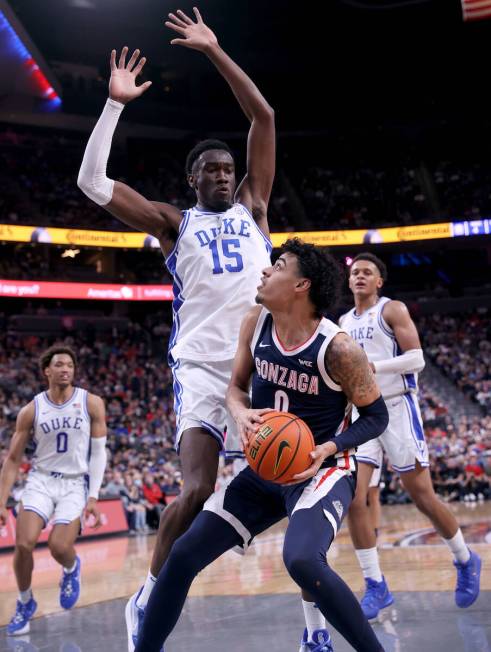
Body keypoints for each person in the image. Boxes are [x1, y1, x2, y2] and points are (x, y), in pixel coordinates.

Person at [77, 8, 275, 648]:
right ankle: (150, 594)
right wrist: (113, 107)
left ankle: (310, 615)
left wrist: (215, 50)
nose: (223, 173)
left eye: (228, 167)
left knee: (298, 483)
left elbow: (263, 120)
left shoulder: (256, 207)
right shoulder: (173, 222)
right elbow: (93, 182)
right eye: (211, 169)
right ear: (193, 180)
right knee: (193, 491)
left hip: (264, 365)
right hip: (201, 371)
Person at [135, 239, 388, 652]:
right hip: (264, 472)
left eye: (279, 266)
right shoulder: (255, 322)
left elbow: (377, 416)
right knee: (181, 557)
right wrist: (238, 413)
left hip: (320, 472)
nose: (266, 271)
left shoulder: (339, 348)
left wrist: (330, 446)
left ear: (301, 285)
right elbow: (235, 388)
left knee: (303, 561)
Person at [339, 252, 481, 620]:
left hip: (398, 407)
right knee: (355, 498)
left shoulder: (392, 310)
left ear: (379, 281)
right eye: (355, 272)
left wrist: (375, 366)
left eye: (367, 272)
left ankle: (465, 559)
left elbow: (416, 359)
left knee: (423, 497)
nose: (360, 277)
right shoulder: (341, 322)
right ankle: (376, 584)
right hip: (361, 412)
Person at [0, 345, 107, 635]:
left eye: (70, 366)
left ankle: (71, 569)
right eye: (59, 365)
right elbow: (12, 459)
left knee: (59, 547)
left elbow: (99, 453)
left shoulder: (91, 403)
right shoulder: (31, 409)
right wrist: (1, 500)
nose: (65, 370)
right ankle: (25, 602)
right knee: (23, 544)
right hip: (41, 480)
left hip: (74, 483)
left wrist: (94, 496)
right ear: (47, 370)